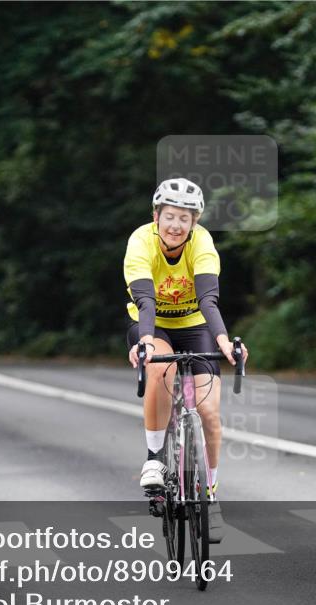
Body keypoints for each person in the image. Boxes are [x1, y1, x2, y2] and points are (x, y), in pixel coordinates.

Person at [124, 177, 248, 543]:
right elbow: (146, 300)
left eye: (185, 218)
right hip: (153, 324)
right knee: (161, 363)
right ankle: (153, 458)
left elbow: (209, 299)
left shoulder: (203, 243)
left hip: (196, 325)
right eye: (170, 217)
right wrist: (145, 340)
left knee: (209, 412)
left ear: (195, 222)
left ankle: (209, 493)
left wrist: (225, 341)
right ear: (156, 216)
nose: (176, 225)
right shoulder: (140, 242)